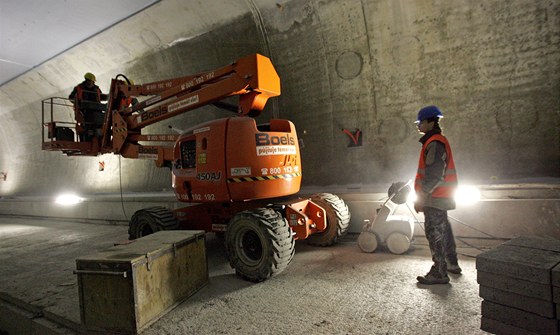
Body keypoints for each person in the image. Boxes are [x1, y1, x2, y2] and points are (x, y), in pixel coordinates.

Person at [413, 105, 461, 285]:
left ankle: (439, 272)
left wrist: (421, 198)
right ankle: (451, 263)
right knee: (443, 230)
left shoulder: (434, 142)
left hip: (435, 197)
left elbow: (434, 176)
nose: (418, 126)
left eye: (421, 122)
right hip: (441, 196)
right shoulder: (435, 141)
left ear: (430, 122)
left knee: (435, 233)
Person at [69, 72, 103, 141]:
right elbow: (71, 98)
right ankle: (86, 140)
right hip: (84, 111)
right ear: (86, 80)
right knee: (86, 127)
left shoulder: (96, 89)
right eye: (90, 81)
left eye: (92, 82)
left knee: (100, 124)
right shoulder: (79, 88)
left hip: (96, 111)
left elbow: (101, 96)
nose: (91, 83)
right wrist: (78, 103)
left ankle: (99, 139)